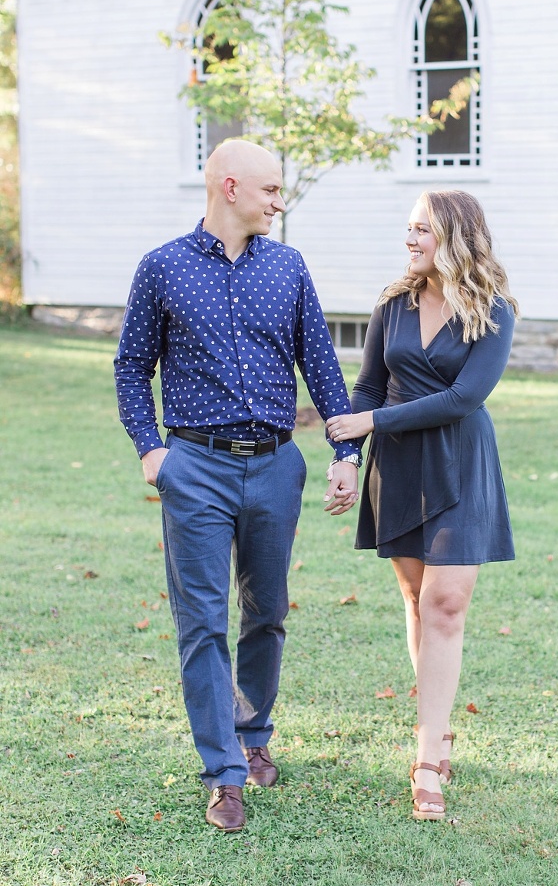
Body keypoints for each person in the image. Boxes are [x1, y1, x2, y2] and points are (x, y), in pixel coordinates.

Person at [114, 140, 361, 833]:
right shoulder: (161, 267)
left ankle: (254, 735)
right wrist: (152, 451)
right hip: (196, 466)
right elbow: (131, 365)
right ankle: (224, 773)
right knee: (201, 623)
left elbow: (322, 362)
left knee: (267, 611)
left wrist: (345, 448)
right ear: (229, 186)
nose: (279, 202)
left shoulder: (288, 266)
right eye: (271, 190)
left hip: (276, 464)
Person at [326, 189, 516, 821]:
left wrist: (370, 421)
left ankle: (427, 758)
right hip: (400, 467)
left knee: (445, 602)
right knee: (415, 600)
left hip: (461, 465)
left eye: (423, 231)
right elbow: (368, 383)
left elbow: (464, 398)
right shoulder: (394, 304)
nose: (410, 241)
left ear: (456, 237)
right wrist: (348, 460)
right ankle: (438, 729)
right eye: (407, 228)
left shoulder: (494, 310)